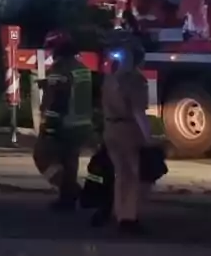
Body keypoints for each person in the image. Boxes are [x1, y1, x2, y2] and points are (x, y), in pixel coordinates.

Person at [99, 34, 153, 234]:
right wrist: (148, 137)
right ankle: (128, 218)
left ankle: (119, 212)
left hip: (110, 128)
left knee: (120, 174)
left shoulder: (110, 78)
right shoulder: (135, 80)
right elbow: (138, 112)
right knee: (132, 175)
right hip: (127, 131)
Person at [36, 29, 95, 211]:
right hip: (82, 125)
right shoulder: (82, 69)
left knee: (42, 156)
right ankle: (67, 200)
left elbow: (57, 99)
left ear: (57, 49)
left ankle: (72, 191)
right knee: (70, 162)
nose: (49, 52)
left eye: (51, 48)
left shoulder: (59, 69)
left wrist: (48, 124)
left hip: (64, 124)